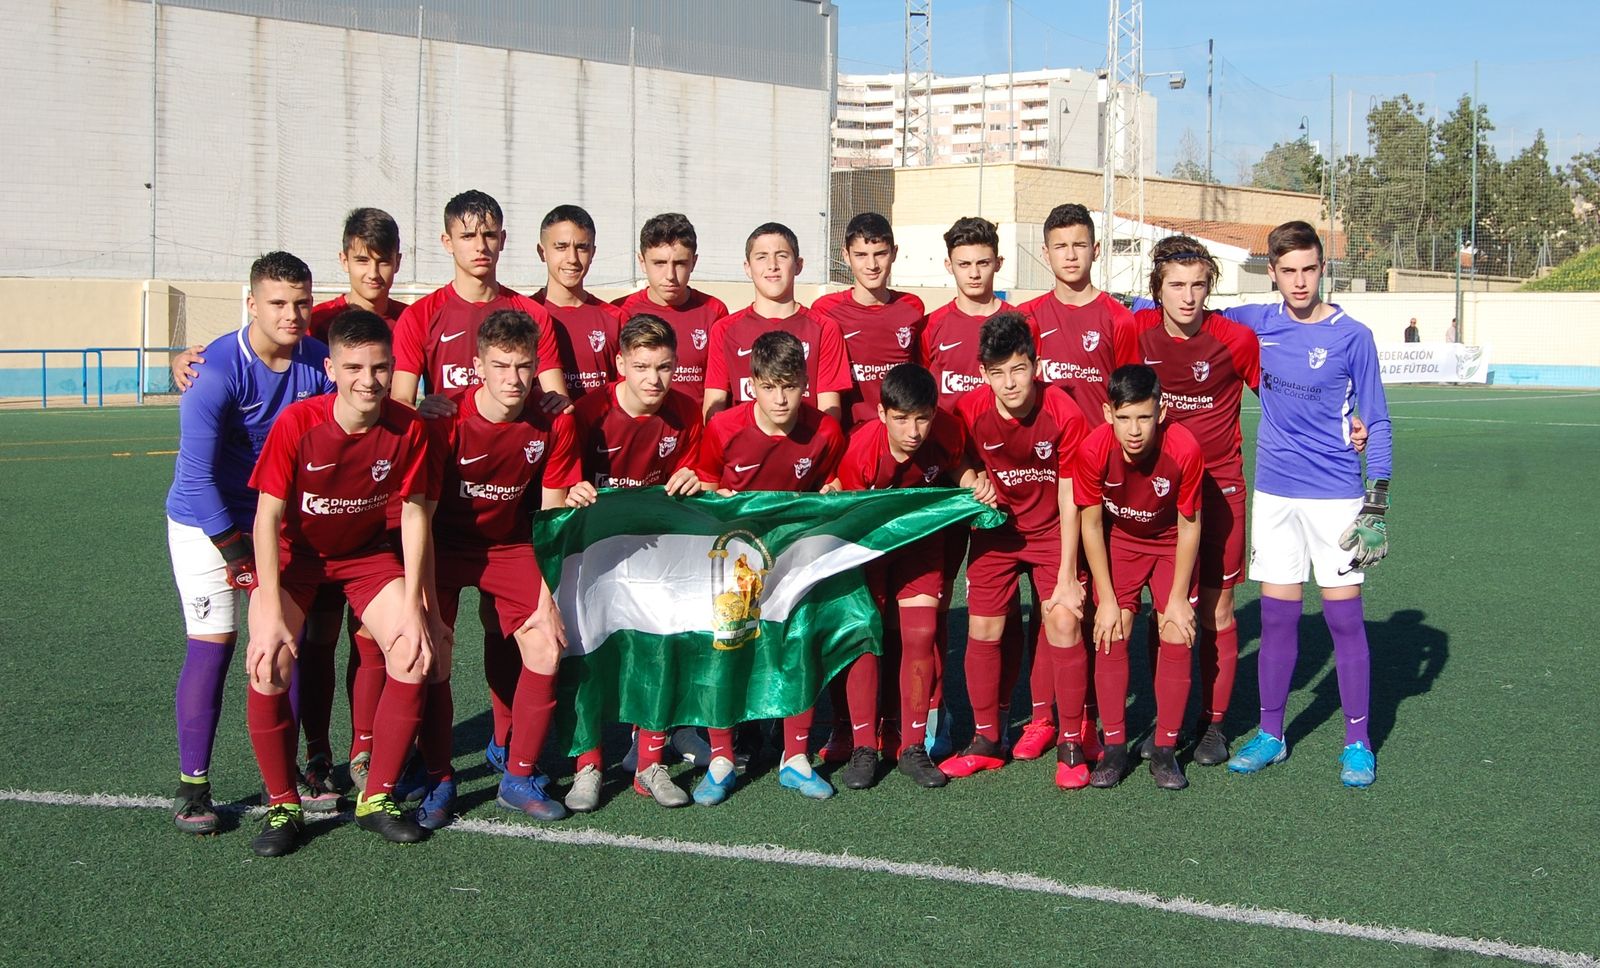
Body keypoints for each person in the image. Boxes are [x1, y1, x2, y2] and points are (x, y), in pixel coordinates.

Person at [244, 308, 443, 855]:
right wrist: (267, 610)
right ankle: (283, 804)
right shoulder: (298, 423)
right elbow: (266, 518)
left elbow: (414, 515)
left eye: (379, 367)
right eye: (354, 367)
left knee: (413, 652)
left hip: (364, 557)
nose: (368, 380)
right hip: (297, 558)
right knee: (268, 661)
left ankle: (376, 799)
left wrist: (416, 605)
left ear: (393, 367)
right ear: (331, 369)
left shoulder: (409, 427)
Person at [164, 251, 333, 835]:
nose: (292, 315)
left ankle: (281, 779)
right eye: (278, 303)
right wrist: (238, 558)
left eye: (302, 302)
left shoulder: (318, 362)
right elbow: (195, 478)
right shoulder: (214, 370)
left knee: (284, 641)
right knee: (214, 643)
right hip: (205, 524)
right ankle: (193, 786)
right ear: (252, 304)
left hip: (274, 522)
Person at [1222, 220, 1394, 788]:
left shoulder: (1353, 336)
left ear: (1323, 269)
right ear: (1272, 272)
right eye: (1288, 270)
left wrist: (1377, 502)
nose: (1299, 281)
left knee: (1345, 619)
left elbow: (1378, 418)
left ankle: (1357, 742)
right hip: (1274, 494)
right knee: (1276, 618)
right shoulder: (1254, 321)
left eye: (1309, 269)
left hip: (1336, 497)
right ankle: (1271, 734)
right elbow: (1190, 317)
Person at [417, 309, 580, 828]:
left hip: (509, 544)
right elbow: (419, 514)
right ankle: (438, 776)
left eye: (524, 366)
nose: (514, 378)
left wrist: (547, 600)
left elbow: (553, 514)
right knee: (432, 651)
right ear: (477, 367)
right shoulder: (444, 421)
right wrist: (421, 599)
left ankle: (518, 776)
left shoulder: (553, 419)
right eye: (501, 365)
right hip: (443, 544)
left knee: (547, 643)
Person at [1121, 236, 1260, 766]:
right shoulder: (1135, 332)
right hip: (1157, 491)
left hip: (1220, 492)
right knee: (1164, 609)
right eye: (1176, 285)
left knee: (1217, 609)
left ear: (1210, 287)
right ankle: (1166, 720)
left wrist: (1347, 423)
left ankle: (1214, 724)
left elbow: (1279, 398)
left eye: (1198, 285)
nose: (1188, 296)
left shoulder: (1235, 339)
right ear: (1157, 289)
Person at [693, 330, 847, 804]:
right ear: (752, 384)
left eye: (791, 386)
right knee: (726, 649)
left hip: (794, 562)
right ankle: (721, 758)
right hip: (734, 563)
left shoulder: (826, 430)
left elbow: (835, 482)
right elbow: (704, 488)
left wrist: (834, 488)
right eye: (769, 386)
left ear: (806, 383)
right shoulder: (723, 428)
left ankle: (795, 758)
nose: (781, 398)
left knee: (797, 647)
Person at [824, 363, 994, 789]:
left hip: (921, 542)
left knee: (921, 634)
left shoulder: (948, 431)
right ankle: (865, 745)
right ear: (882, 414)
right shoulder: (860, 452)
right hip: (869, 546)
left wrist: (974, 482)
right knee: (866, 635)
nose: (913, 431)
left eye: (922, 418)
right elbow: (847, 513)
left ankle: (912, 746)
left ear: (934, 413)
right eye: (901, 419)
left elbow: (958, 466)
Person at [561, 313, 705, 810]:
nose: (654, 379)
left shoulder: (687, 412)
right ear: (620, 364)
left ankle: (649, 763)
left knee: (658, 645)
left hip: (654, 551)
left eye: (664, 367)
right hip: (593, 551)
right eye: (642, 367)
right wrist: (571, 489)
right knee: (590, 652)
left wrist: (696, 477)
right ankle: (588, 765)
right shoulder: (587, 412)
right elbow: (560, 481)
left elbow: (697, 476)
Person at [946, 312, 1091, 790]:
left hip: (1052, 533)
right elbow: (957, 458)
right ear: (983, 373)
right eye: (998, 373)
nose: (1009, 383)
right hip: (998, 536)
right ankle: (987, 740)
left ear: (1036, 365)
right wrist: (972, 478)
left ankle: (1070, 743)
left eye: (1018, 369)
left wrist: (1068, 573)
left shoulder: (1064, 412)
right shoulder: (969, 410)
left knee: (1063, 619)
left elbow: (1071, 495)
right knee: (984, 628)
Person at [1075, 364, 1205, 790]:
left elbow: (1189, 526)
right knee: (1112, 629)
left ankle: (1165, 750)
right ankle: (1114, 748)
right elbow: (1091, 525)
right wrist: (1107, 599)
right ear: (1108, 413)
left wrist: (1179, 598)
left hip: (1170, 542)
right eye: (1125, 417)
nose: (1134, 430)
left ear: (1161, 412)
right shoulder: (1093, 449)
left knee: (1177, 629)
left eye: (1144, 417)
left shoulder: (1184, 449)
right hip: (1122, 541)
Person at [390, 189, 568, 409]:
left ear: (502, 240)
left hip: (515, 431)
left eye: (489, 235)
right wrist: (421, 411)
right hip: (449, 431)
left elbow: (557, 400)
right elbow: (401, 402)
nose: (480, 247)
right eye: (468, 236)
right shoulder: (419, 315)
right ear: (447, 242)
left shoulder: (533, 314)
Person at [701, 222, 851, 423]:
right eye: (761, 257)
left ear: (798, 265)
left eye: (782, 256)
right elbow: (714, 408)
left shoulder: (824, 328)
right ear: (748, 267)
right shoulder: (724, 330)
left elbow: (829, 411)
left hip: (805, 442)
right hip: (744, 443)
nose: (772, 265)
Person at [1019, 203, 1137, 423]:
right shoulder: (1026, 316)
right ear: (1046, 253)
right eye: (1060, 246)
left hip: (1099, 441)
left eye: (1080, 245)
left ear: (1096, 250)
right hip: (1044, 441)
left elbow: (1131, 395)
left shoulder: (1120, 318)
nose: (1071, 255)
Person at [810, 212, 926, 428]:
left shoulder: (913, 308)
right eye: (861, 255)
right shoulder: (825, 310)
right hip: (850, 435)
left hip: (899, 434)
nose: (871, 265)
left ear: (894, 253)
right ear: (846, 256)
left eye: (880, 254)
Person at [613, 213, 729, 407]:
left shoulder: (714, 311)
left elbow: (718, 388)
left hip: (694, 425)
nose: (670, 275)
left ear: (694, 262)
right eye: (659, 263)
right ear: (642, 262)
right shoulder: (620, 311)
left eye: (680, 263)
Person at [533, 204, 626, 401]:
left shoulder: (615, 318)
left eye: (582, 248)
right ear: (542, 252)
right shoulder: (524, 314)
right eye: (561, 247)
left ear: (593, 253)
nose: (572, 259)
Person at [921, 216, 1014, 412]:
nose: (974, 274)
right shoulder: (931, 325)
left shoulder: (1021, 324)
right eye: (964, 264)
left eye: (983, 263)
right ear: (949, 265)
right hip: (945, 431)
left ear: (998, 263)